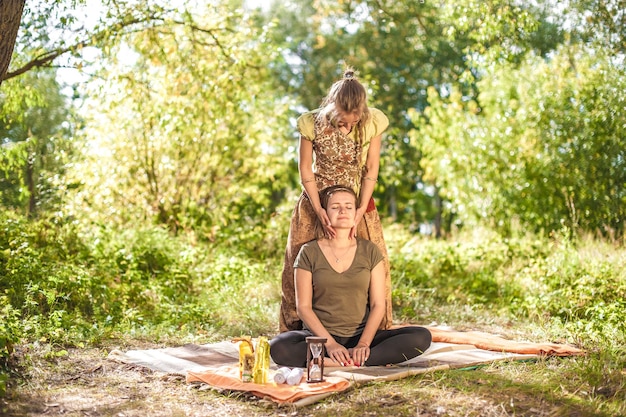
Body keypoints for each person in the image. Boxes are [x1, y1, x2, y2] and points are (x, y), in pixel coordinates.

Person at [280, 67, 393, 333]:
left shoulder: (372, 122)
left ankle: (374, 332)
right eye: (343, 120)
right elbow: (305, 169)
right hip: (315, 201)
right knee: (298, 261)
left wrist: (360, 209)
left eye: (354, 121)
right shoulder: (312, 123)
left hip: (356, 201)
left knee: (375, 262)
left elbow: (371, 169)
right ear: (332, 106)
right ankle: (298, 332)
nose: (348, 125)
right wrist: (318, 210)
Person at [271, 186, 432, 367]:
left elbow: (378, 304)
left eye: (348, 206)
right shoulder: (309, 252)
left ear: (356, 213)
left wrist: (363, 344)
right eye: (335, 207)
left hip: (360, 337)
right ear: (324, 213)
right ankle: (352, 361)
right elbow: (304, 308)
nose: (342, 211)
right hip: (320, 338)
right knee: (278, 347)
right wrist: (331, 344)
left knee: (421, 337)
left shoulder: (370, 250)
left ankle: (336, 362)